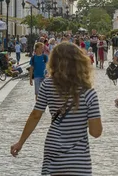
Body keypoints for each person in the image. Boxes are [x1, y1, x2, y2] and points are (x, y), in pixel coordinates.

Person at [11, 42, 102, 175]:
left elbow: (35, 115)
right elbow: (95, 132)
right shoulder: (89, 93)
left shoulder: (47, 85)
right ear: (80, 62)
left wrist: (20, 142)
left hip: (54, 147)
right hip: (78, 155)